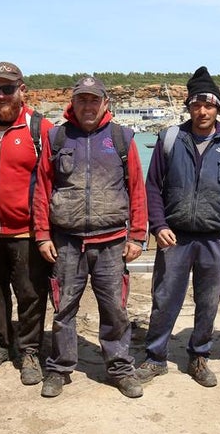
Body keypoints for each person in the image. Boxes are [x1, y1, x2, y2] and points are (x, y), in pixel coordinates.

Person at [33, 75, 148, 399]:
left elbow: (136, 188)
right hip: (66, 242)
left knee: (114, 309)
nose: (87, 106)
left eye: (93, 100)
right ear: (73, 102)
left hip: (111, 243)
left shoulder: (121, 138)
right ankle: (59, 368)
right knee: (63, 309)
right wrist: (43, 234)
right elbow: (42, 189)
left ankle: (120, 367)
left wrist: (137, 236)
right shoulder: (57, 138)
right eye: (82, 99)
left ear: (104, 103)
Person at [135, 66, 220, 388]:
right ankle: (155, 357)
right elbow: (153, 187)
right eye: (197, 104)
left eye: (209, 105)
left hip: (215, 239)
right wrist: (157, 225)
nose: (202, 111)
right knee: (164, 299)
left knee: (208, 301)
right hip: (174, 237)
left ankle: (199, 356)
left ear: (218, 108)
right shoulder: (171, 140)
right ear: (189, 106)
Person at [0, 61, 54, 384]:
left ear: (22, 89)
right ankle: (1, 343)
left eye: (7, 88)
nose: (1, 95)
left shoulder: (39, 129)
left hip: (27, 231)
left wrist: (47, 229)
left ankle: (30, 350)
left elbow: (52, 181)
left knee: (31, 294)